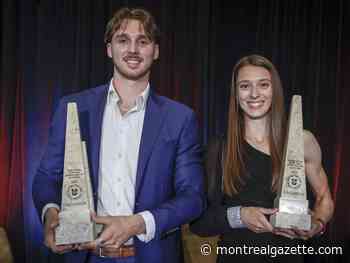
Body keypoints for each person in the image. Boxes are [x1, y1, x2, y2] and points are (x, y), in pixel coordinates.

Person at [32, 7, 205, 263]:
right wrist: (51, 215)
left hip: (150, 256)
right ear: (109, 48)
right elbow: (46, 178)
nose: (133, 49)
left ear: (155, 51)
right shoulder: (74, 108)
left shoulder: (180, 119)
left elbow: (193, 198)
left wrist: (136, 224)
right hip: (86, 256)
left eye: (143, 41)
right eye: (123, 40)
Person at [190, 55, 334, 263]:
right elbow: (199, 223)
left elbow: (324, 197)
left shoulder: (302, 141)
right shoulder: (219, 149)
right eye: (245, 86)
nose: (254, 94)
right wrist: (240, 216)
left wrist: (318, 224)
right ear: (236, 94)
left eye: (263, 85)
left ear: (274, 90)